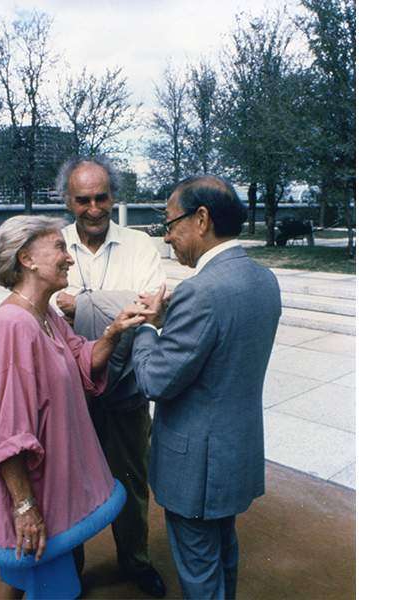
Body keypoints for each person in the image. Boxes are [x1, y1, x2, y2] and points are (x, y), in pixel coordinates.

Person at [0, 215, 149, 600]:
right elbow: (9, 431)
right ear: (27, 259)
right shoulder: (13, 326)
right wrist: (25, 506)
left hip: (45, 483)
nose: (69, 258)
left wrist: (114, 330)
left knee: (19, 575)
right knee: (33, 577)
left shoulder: (43, 314)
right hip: (33, 489)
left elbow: (82, 360)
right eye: (60, 248)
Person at [131, 176, 282, 599]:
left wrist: (146, 327)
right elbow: (219, 352)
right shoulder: (263, 279)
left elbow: (155, 380)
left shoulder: (199, 291)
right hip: (236, 452)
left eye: (170, 222)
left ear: (201, 219)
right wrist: (168, 324)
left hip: (195, 466)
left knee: (200, 573)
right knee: (223, 554)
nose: (168, 236)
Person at [52, 156, 167, 598]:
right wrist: (116, 305)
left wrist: (80, 304)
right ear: (68, 200)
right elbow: (42, 307)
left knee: (132, 482)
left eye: (102, 197)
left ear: (113, 196)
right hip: (69, 393)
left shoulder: (139, 244)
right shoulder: (52, 243)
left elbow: (152, 309)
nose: (94, 208)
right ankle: (72, 569)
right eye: (83, 200)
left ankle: (135, 562)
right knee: (67, 484)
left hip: (126, 392)